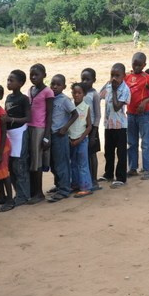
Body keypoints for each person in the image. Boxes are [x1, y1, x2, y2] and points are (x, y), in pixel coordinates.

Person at [125, 52, 149, 180]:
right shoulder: (127, 77)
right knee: (131, 142)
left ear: (144, 65)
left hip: (144, 115)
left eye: (139, 65)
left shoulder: (147, 78)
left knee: (146, 143)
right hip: (130, 114)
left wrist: (146, 101)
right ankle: (133, 168)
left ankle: (148, 168)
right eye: (134, 64)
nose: (136, 68)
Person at [99, 63, 131, 187]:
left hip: (120, 126)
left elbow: (117, 107)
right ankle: (108, 173)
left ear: (123, 76)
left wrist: (114, 91)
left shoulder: (125, 89)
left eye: (117, 75)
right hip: (108, 125)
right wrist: (109, 85)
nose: (114, 78)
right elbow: (99, 95)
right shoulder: (108, 85)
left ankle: (121, 177)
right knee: (108, 151)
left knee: (121, 152)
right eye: (112, 75)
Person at [3, 70, 30, 211]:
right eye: (8, 80)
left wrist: (11, 120)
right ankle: (18, 193)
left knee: (20, 166)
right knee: (11, 166)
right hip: (9, 134)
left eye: (12, 80)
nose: (9, 82)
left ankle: (23, 195)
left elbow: (28, 118)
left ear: (20, 83)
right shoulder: (8, 98)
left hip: (20, 133)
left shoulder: (24, 99)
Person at [48, 74, 77, 202]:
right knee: (53, 163)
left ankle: (64, 189)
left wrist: (65, 127)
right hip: (51, 135)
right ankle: (59, 185)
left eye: (58, 84)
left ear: (64, 86)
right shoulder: (50, 98)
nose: (54, 87)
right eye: (52, 84)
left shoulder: (65, 100)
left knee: (61, 163)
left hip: (60, 135)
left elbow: (75, 114)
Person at [27, 63, 54, 203]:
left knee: (37, 161)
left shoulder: (47, 92)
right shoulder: (30, 89)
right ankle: (32, 191)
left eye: (36, 74)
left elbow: (49, 114)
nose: (33, 77)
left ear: (44, 75)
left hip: (40, 128)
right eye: (31, 74)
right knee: (31, 161)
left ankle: (39, 193)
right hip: (29, 127)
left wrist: (46, 135)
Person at [69, 83, 93, 198]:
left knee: (83, 164)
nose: (77, 95)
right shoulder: (70, 107)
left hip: (82, 140)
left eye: (79, 93)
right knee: (73, 163)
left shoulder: (86, 107)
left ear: (84, 94)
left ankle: (85, 187)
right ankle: (75, 184)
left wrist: (81, 138)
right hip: (71, 139)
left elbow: (89, 126)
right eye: (75, 93)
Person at [80, 68, 102, 191]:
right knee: (83, 155)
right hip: (81, 128)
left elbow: (98, 115)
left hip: (92, 128)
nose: (84, 81)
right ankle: (85, 179)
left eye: (88, 79)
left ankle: (94, 180)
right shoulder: (80, 93)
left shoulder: (94, 94)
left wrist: (94, 133)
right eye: (82, 79)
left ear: (94, 80)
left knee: (92, 154)